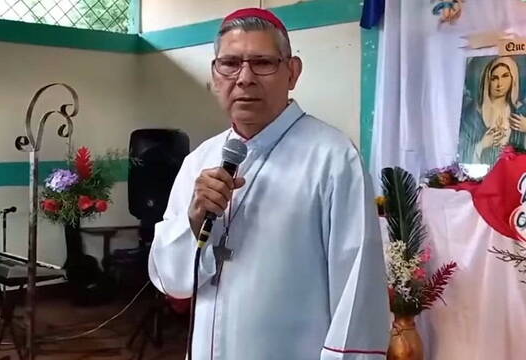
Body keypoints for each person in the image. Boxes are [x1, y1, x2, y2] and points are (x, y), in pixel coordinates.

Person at [148, 8, 390, 360]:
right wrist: (195, 223)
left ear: (292, 72)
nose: (244, 78)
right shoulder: (199, 161)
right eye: (230, 63)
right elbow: (173, 282)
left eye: (262, 63)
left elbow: (357, 290)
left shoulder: (333, 158)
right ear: (215, 75)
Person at [458, 56, 526, 166]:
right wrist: (482, 144)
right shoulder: (472, 115)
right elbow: (461, 153)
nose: (500, 84)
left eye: (505, 76)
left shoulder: (521, 112)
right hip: (482, 178)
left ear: (513, 78)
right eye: (494, 78)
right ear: (487, 80)